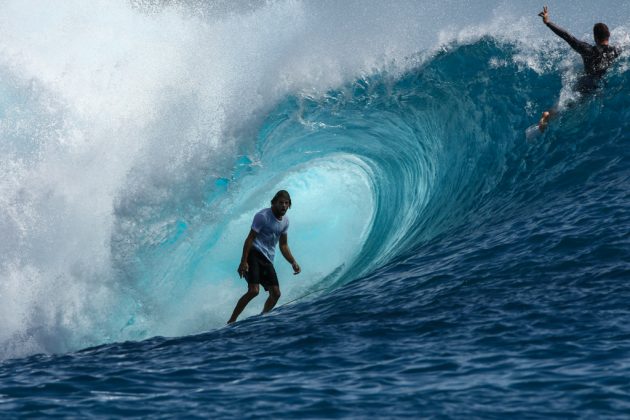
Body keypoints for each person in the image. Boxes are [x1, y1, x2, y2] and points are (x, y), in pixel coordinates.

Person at [537, 6, 621, 131]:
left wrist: (548, 22)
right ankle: (549, 115)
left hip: (585, 82)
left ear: (595, 38)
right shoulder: (616, 51)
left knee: (569, 105)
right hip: (597, 83)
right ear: (609, 35)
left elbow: (567, 36)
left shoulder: (588, 50)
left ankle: (549, 115)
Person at [227, 190, 301, 324]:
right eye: (281, 203)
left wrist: (293, 262)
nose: (283, 206)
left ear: (289, 205)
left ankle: (263, 317)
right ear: (273, 203)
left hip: (267, 259)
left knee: (276, 294)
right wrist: (243, 261)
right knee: (254, 291)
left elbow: (283, 245)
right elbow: (250, 238)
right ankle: (231, 321)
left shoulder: (285, 222)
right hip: (254, 254)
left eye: (286, 203)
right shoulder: (263, 216)